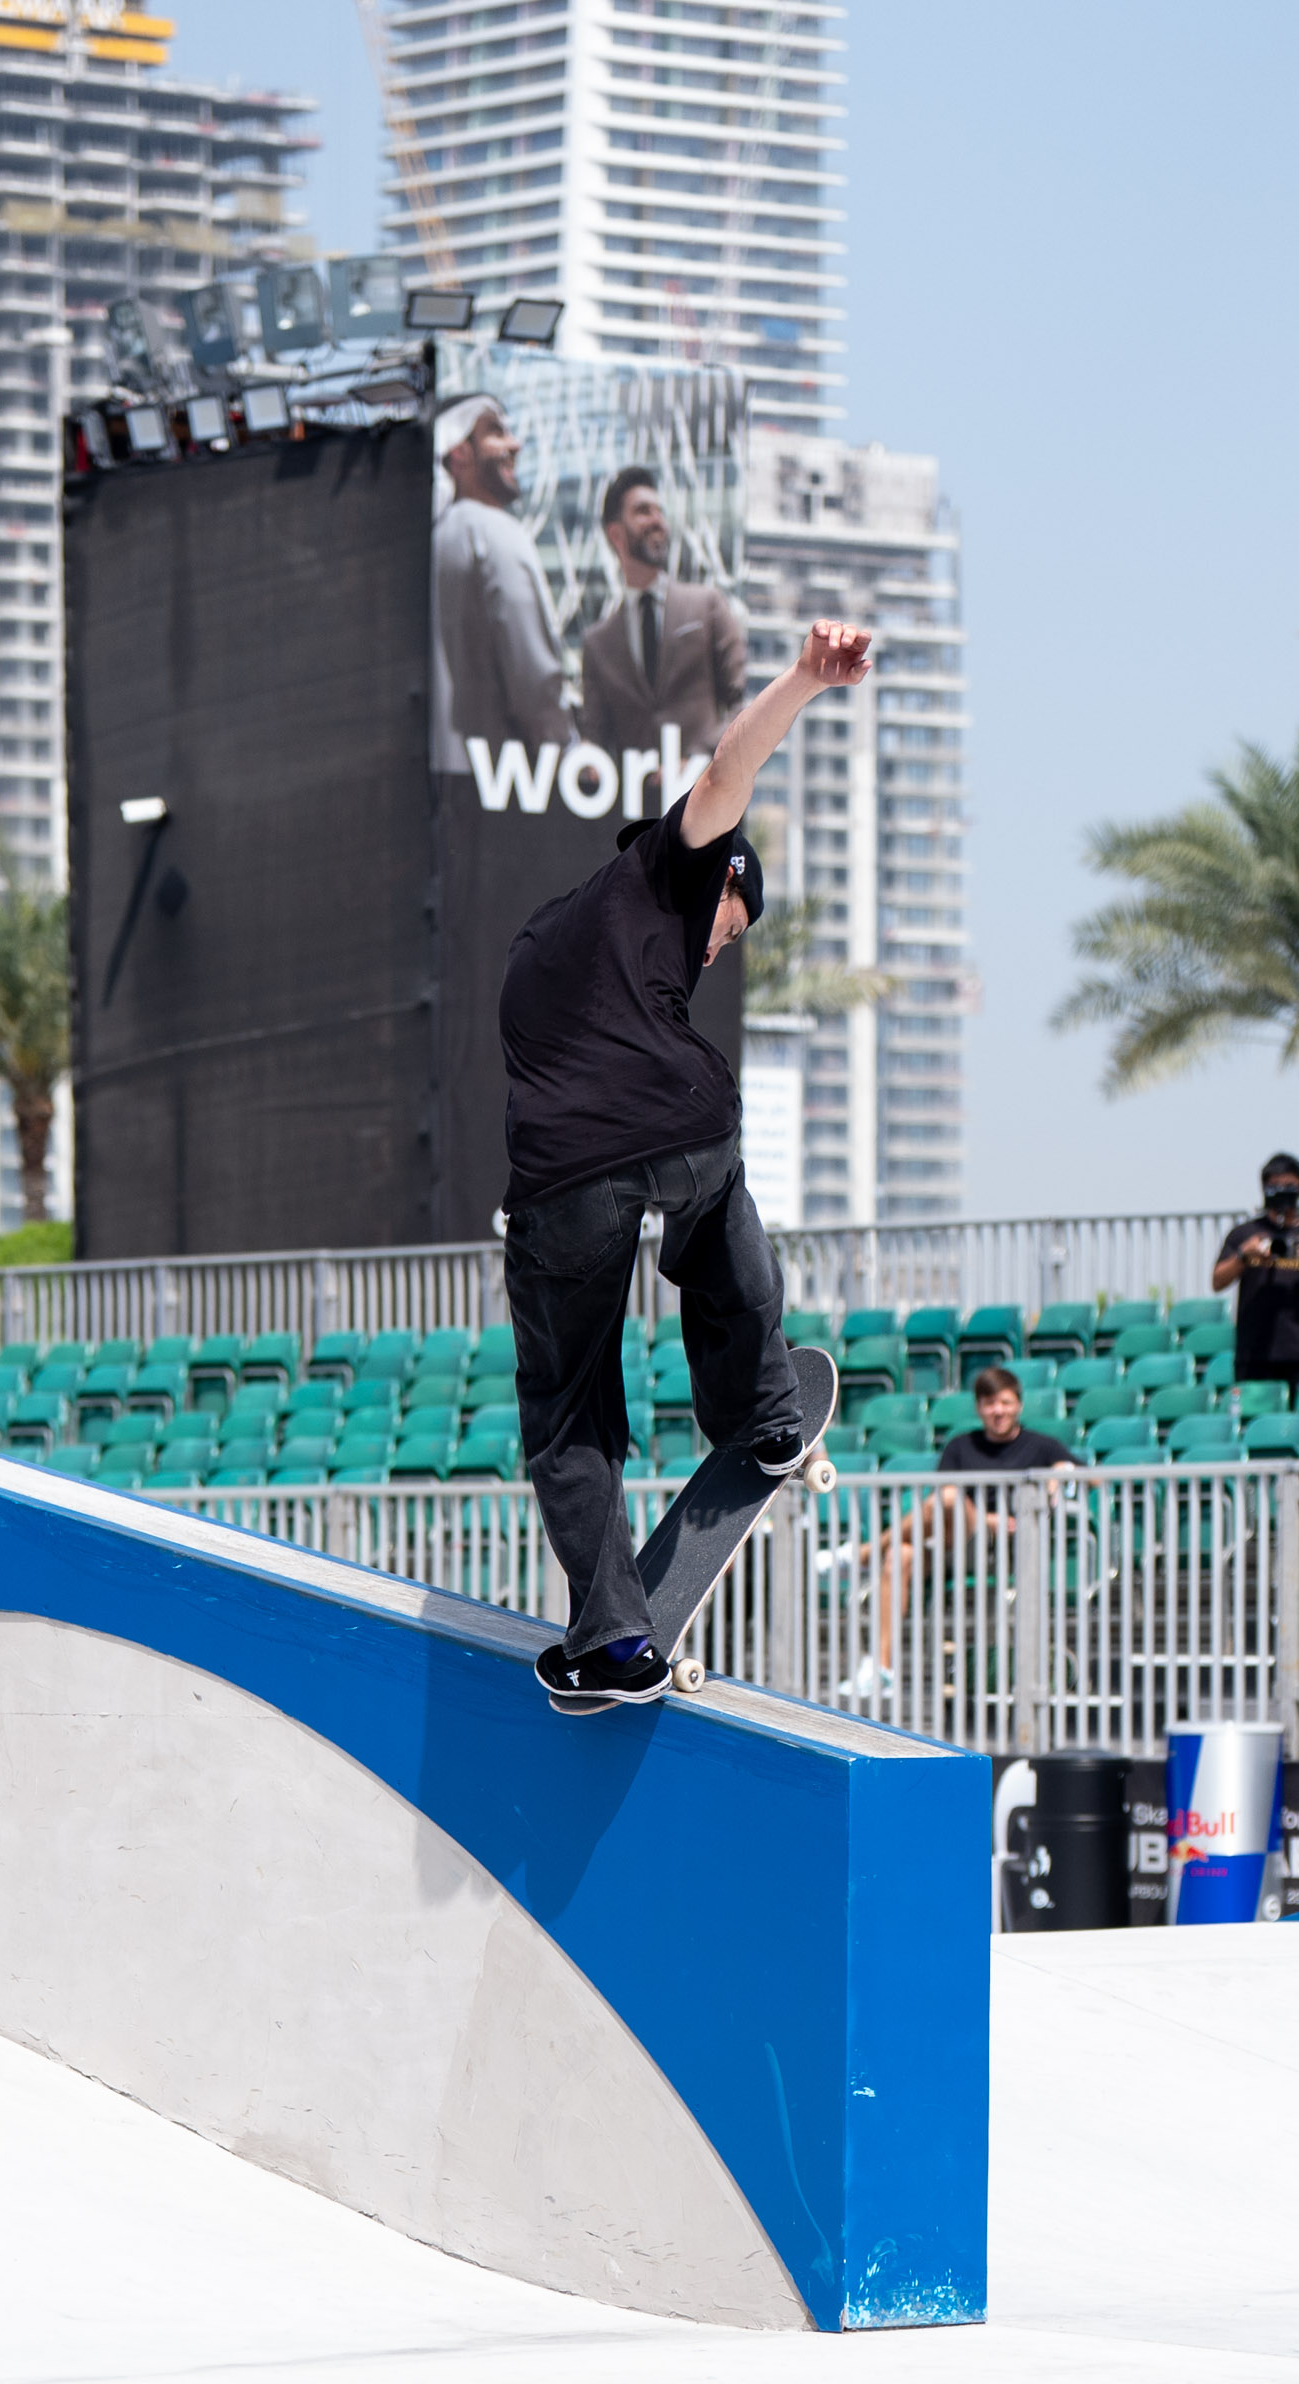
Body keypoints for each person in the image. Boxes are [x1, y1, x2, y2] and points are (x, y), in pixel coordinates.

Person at [502, 615, 873, 1708]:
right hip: (675, 1124)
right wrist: (804, 680)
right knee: (718, 1224)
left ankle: (612, 1637)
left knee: (569, 1410)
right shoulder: (669, 864)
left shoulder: (540, 942)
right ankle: (762, 1413)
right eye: (733, 919)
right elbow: (728, 768)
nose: (723, 943)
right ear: (706, 876)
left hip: (563, 1177)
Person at [861, 1367, 1078, 1697]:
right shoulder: (961, 1446)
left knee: (945, 1497)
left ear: (1018, 1404)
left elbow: (1091, 1479)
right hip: (955, 1542)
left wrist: (1062, 1472)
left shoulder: (1043, 1446)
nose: (998, 1411)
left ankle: (861, 1554)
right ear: (979, 1408)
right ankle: (881, 1670)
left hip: (1003, 1546)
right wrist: (990, 1518)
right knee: (898, 1556)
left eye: (1004, 1402)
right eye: (990, 1403)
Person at [431, 394, 574, 777]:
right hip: (507, 783)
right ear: (458, 455)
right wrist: (568, 759)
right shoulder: (494, 530)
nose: (515, 445)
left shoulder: (432, 542)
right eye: (496, 433)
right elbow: (534, 678)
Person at [577, 464, 750, 767]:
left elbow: (741, 703)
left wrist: (699, 760)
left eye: (660, 511)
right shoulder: (597, 644)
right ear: (615, 534)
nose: (658, 521)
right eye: (643, 511)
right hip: (632, 806)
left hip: (706, 796)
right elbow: (595, 738)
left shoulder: (707, 605)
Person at [1213, 1153, 1299, 1386]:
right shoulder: (1245, 1234)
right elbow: (1217, 1281)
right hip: (1254, 1353)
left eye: (1289, 1186)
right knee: (1255, 1422)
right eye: (1275, 1186)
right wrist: (1244, 1255)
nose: (1282, 1192)